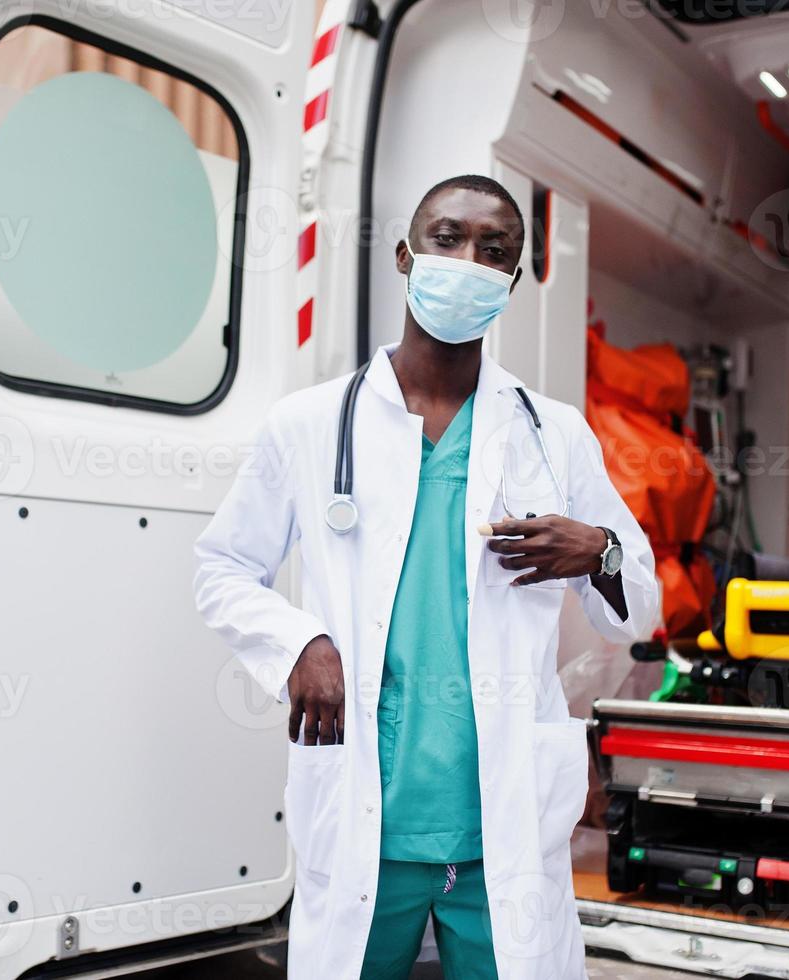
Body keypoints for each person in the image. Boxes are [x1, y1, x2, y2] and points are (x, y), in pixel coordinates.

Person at [194, 174, 659, 980]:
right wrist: (299, 642)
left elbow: (636, 613)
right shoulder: (309, 425)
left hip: (499, 824)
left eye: (495, 251)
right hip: (367, 822)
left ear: (510, 284)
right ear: (407, 256)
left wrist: (602, 552)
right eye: (447, 239)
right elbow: (222, 567)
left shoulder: (553, 434)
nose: (468, 261)